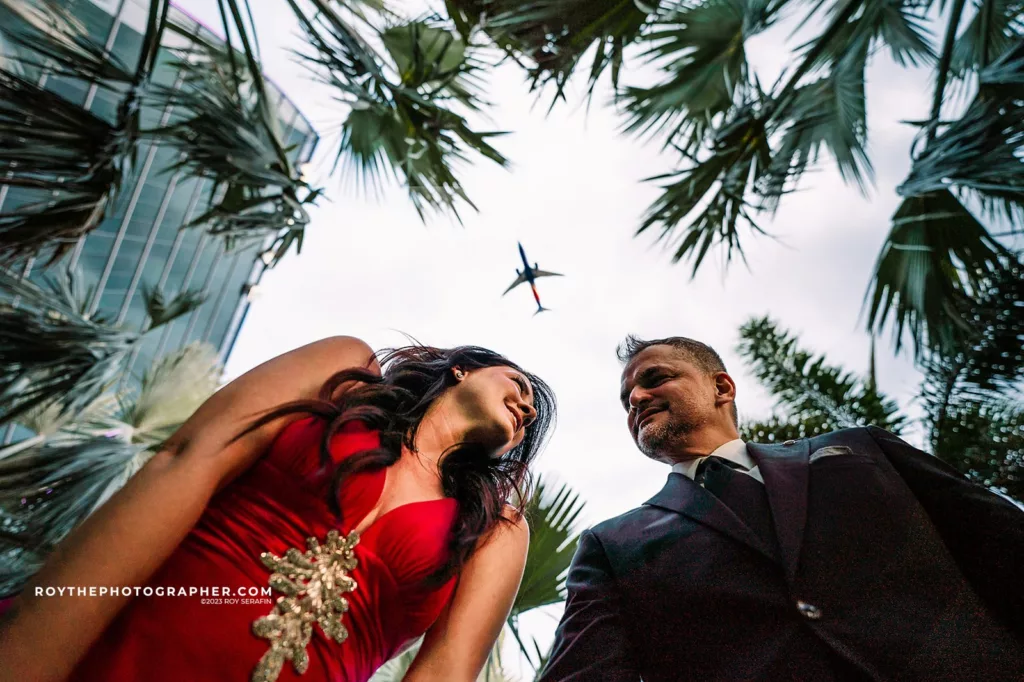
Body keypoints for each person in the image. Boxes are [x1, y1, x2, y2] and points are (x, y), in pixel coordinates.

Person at [0, 336, 556, 682]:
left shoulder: (495, 531)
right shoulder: (345, 376)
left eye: (532, 416)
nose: (527, 406)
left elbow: (445, 674)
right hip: (116, 640)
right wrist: (29, 655)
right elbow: (184, 461)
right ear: (463, 368)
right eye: (519, 384)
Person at [539, 335, 1024, 682]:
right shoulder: (611, 544)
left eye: (655, 379)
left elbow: (1001, 542)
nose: (637, 398)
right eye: (627, 399)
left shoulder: (862, 448)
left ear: (721, 388)